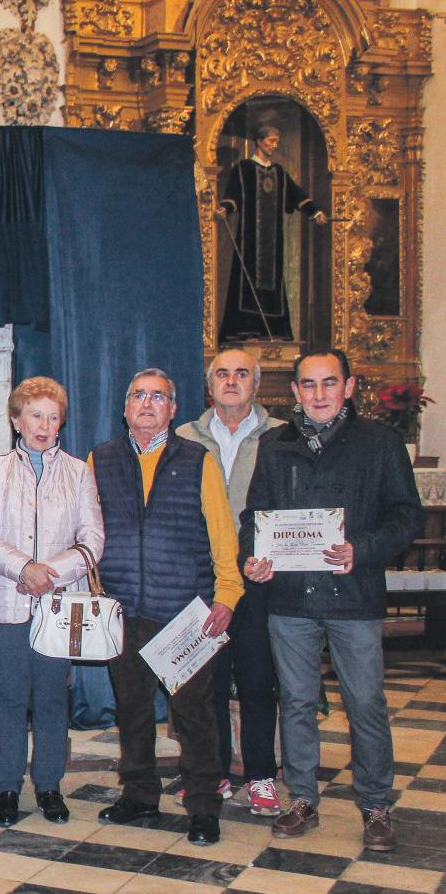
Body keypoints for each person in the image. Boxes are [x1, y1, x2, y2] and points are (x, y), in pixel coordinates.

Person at [243, 350, 423, 851]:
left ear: (349, 386)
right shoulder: (275, 445)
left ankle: (376, 804)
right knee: (297, 702)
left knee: (365, 702)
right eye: (308, 384)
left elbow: (407, 515)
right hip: (290, 597)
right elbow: (255, 516)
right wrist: (252, 558)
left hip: (354, 595)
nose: (318, 394)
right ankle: (302, 797)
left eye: (328, 383)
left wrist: (361, 549)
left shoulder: (380, 443)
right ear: (295, 391)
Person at [90, 368, 242, 847]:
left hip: (184, 612)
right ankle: (139, 793)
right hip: (121, 610)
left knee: (194, 715)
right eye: (139, 395)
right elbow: (87, 530)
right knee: (132, 710)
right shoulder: (100, 459)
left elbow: (222, 531)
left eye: (159, 396)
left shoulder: (198, 460)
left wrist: (227, 594)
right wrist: (93, 591)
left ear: (173, 409)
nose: (147, 403)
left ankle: (203, 805)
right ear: (125, 408)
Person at [0, 377, 103, 826]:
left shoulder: (79, 472)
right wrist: (24, 568)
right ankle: (7, 786)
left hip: (60, 604)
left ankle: (49, 786)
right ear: (16, 420)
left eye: (53, 417)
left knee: (51, 698)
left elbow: (93, 541)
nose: (44, 426)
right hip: (8, 600)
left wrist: (50, 573)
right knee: (9, 697)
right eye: (35, 416)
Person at [176, 348, 286, 814]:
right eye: (222, 373)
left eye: (242, 373)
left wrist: (273, 555)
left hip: (260, 578)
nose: (232, 381)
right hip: (203, 580)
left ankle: (261, 777)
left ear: (256, 384)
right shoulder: (184, 436)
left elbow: (290, 506)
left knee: (259, 681)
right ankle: (213, 773)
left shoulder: (282, 435)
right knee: (207, 685)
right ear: (209, 385)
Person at [217, 124, 328, 343]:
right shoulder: (244, 168)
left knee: (273, 282)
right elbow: (233, 195)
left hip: (272, 242)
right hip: (250, 239)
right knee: (246, 280)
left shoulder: (278, 172)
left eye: (277, 141)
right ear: (259, 141)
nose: (275, 145)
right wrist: (225, 209)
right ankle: (247, 328)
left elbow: (297, 195)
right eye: (271, 140)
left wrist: (315, 213)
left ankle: (273, 330)